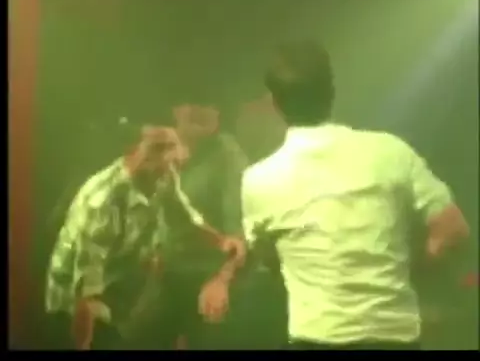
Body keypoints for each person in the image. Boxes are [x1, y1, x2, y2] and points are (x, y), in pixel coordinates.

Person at [241, 40, 470, 350]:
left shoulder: (259, 180)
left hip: (317, 339)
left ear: (275, 104)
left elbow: (270, 259)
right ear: (332, 92)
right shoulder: (390, 152)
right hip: (394, 338)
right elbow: (453, 229)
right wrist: (411, 267)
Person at [45, 125, 243, 349]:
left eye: (171, 147)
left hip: (119, 287)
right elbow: (86, 292)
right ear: (132, 151)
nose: (168, 157)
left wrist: (220, 241)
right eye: (157, 148)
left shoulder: (163, 175)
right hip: (73, 304)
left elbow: (184, 216)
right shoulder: (103, 202)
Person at [157, 89, 248, 348]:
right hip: (157, 273)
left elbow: (239, 229)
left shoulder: (227, 154)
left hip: (208, 275)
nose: (202, 110)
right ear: (175, 109)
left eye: (210, 102)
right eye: (193, 101)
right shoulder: (156, 148)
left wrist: (222, 280)